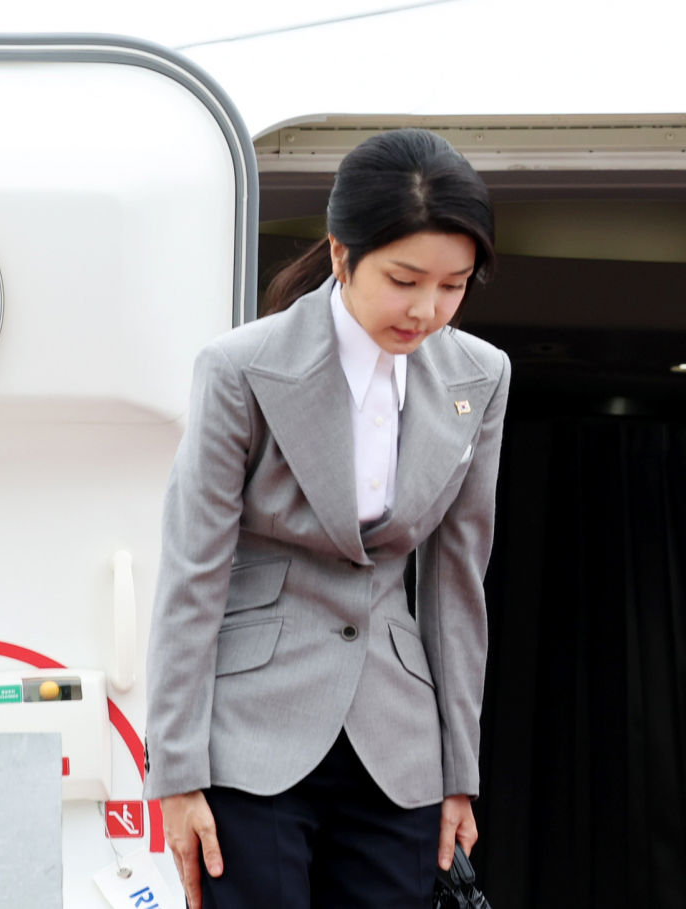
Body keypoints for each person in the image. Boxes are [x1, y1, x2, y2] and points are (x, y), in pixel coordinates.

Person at [143, 128, 508, 909]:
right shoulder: (241, 366)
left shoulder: (481, 374)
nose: (426, 308)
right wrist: (175, 772)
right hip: (248, 739)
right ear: (342, 253)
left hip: (398, 745)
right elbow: (192, 572)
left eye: (453, 285)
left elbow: (456, 581)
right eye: (404, 278)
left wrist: (459, 771)